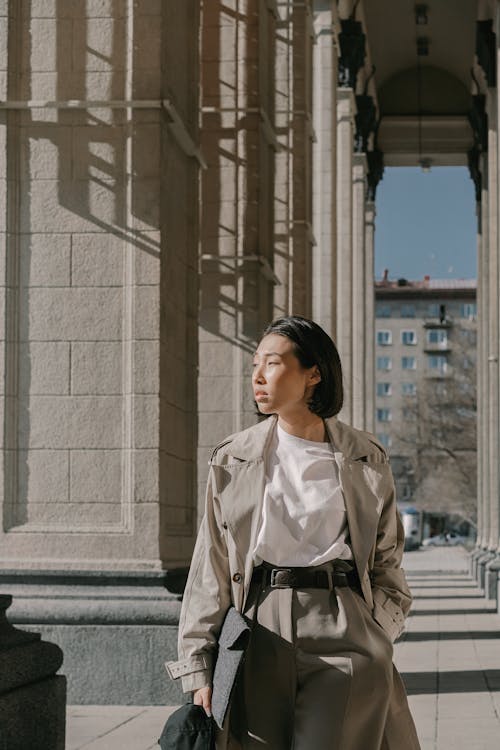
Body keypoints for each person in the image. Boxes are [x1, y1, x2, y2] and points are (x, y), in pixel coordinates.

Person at [167, 316, 421, 749]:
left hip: (344, 623)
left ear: (313, 373)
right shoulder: (233, 458)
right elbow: (210, 565)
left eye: (272, 363)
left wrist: (380, 626)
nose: (258, 377)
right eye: (254, 366)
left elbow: (386, 556)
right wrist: (197, 664)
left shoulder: (364, 456)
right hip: (258, 629)